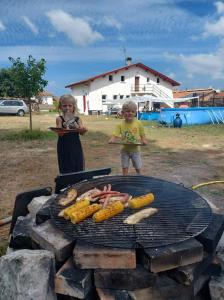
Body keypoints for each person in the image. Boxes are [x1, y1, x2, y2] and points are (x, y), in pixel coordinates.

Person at [109, 101, 147, 175]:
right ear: (123, 113)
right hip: (125, 150)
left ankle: (139, 175)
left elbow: (142, 133)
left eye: (132, 111)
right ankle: (125, 177)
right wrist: (112, 139)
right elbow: (115, 134)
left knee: (137, 165)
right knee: (124, 165)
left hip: (135, 149)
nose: (130, 113)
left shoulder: (138, 123)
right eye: (128, 111)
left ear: (135, 113)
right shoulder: (120, 125)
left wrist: (144, 140)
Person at [56, 94, 87, 174]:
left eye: (70, 106)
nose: (67, 108)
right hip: (63, 146)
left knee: (78, 165)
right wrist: (64, 127)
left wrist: (78, 127)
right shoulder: (59, 119)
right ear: (60, 107)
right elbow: (60, 134)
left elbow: (82, 133)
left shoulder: (78, 119)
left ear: (74, 107)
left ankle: (79, 183)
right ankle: (67, 184)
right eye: (64, 106)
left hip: (75, 145)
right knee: (65, 166)